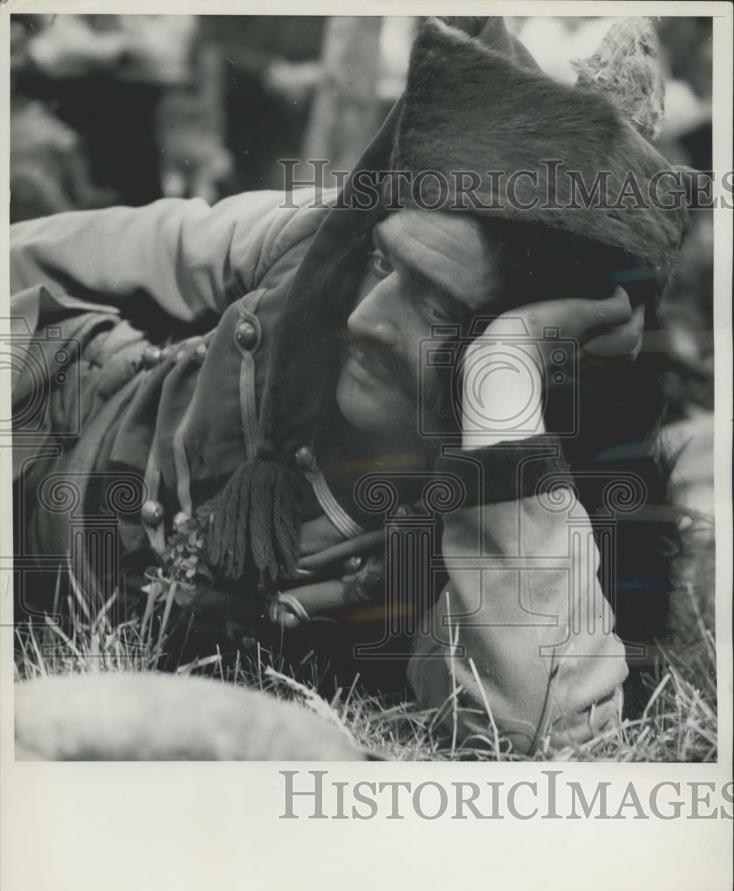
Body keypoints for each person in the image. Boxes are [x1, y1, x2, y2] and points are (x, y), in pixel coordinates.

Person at [11, 16, 691, 755]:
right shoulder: (316, 247)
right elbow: (42, 254)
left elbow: (542, 737)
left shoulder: (496, 531)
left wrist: (506, 380)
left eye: (434, 304)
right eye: (383, 263)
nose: (366, 317)